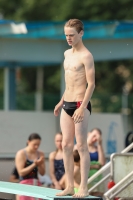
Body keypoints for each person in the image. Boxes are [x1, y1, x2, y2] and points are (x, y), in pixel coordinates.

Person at [54, 19, 95, 197]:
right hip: (67, 103)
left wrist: (82, 107)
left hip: (80, 104)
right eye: (66, 35)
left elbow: (91, 84)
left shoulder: (86, 56)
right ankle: (70, 186)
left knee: (82, 146)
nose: (68, 38)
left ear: (81, 33)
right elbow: (69, 82)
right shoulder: (66, 54)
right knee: (66, 145)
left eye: (71, 35)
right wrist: (61, 101)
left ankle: (84, 187)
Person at [15, 133, 45, 200]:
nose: (36, 147)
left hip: (36, 184)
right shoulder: (21, 153)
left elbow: (42, 173)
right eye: (34, 144)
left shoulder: (40, 154)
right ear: (28, 142)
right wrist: (34, 164)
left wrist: (39, 164)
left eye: (38, 145)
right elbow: (21, 172)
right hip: (24, 185)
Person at [87, 128, 105, 197]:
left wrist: (100, 144)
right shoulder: (79, 147)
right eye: (94, 136)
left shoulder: (98, 148)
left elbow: (102, 163)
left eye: (97, 138)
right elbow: (78, 164)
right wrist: (94, 166)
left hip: (97, 179)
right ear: (89, 134)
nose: (95, 139)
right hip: (85, 179)